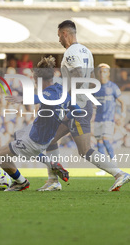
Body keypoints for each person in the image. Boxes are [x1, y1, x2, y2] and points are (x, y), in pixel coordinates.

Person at [42, 20, 130, 191]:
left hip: (77, 107)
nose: (58, 39)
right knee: (49, 139)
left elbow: (80, 75)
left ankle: (119, 173)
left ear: (64, 33)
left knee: (84, 150)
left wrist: (67, 97)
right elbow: (90, 80)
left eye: (59, 35)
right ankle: (53, 181)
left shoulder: (70, 53)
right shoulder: (86, 51)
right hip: (79, 105)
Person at [0, 56, 72, 191]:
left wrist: (21, 98)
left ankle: (21, 182)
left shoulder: (48, 93)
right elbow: (73, 105)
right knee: (18, 134)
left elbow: (39, 98)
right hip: (36, 131)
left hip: (35, 139)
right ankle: (52, 171)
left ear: (38, 80)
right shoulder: (60, 89)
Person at [94, 63, 126, 175]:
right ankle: (104, 168)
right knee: (99, 143)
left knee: (106, 141)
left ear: (108, 73)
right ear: (98, 73)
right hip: (98, 119)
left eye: (105, 71)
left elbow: (122, 102)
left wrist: (122, 115)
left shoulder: (113, 87)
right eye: (101, 71)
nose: (102, 74)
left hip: (108, 119)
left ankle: (114, 165)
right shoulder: (96, 88)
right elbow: (93, 104)